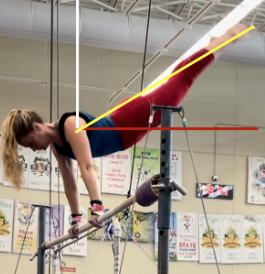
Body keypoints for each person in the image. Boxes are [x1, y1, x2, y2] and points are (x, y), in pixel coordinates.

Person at [0, 23, 251, 239]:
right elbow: (69, 183)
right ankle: (215, 43)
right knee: (180, 79)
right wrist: (76, 218)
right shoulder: (58, 147)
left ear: (36, 127)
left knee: (183, 77)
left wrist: (97, 206)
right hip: (128, 132)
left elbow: (87, 167)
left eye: (30, 143)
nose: (34, 149)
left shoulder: (70, 125)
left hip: (136, 115)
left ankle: (221, 40)